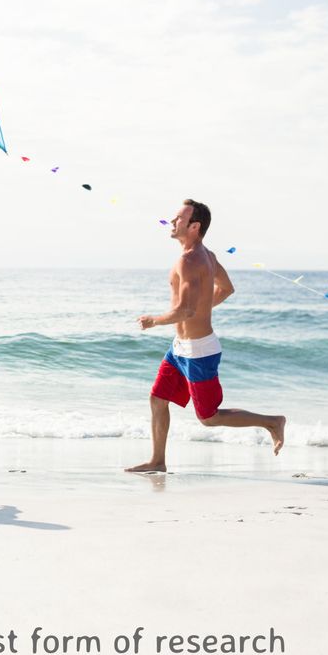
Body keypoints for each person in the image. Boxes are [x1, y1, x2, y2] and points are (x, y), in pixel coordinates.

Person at [125, 200, 285, 473]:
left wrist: (154, 320)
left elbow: (184, 309)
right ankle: (158, 461)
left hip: (199, 350)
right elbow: (226, 288)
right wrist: (199, 309)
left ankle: (272, 421)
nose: (172, 222)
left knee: (208, 418)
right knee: (157, 398)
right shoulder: (206, 255)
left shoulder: (189, 260)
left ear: (194, 226)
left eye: (178, 218)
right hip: (180, 348)